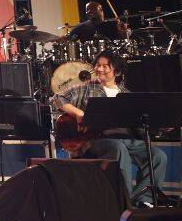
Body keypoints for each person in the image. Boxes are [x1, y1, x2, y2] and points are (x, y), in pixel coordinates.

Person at [50, 50, 166, 205]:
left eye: (105, 66)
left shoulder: (126, 94)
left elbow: (137, 125)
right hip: (97, 139)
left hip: (127, 140)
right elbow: (56, 99)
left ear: (116, 71)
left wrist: (160, 127)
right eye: (98, 65)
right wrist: (79, 113)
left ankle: (143, 200)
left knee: (158, 156)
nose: (99, 69)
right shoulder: (86, 88)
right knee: (118, 148)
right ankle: (123, 202)